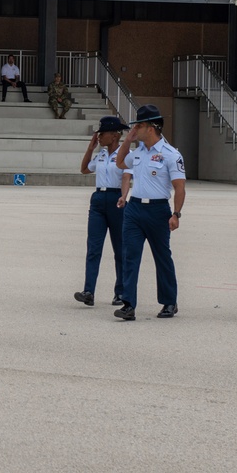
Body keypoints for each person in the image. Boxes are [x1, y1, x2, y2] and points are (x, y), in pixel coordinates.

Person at [113, 104, 186, 321]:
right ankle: (128, 304)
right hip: (134, 208)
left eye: (139, 126)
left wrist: (177, 213)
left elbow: (180, 187)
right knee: (130, 255)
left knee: (162, 256)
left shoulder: (171, 154)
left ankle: (169, 301)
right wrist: (127, 140)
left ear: (151, 127)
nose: (134, 130)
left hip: (158, 210)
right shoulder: (137, 153)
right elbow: (119, 163)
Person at [75, 116, 130, 308]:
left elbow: (126, 178)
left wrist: (124, 196)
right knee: (94, 247)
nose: (98, 136)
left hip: (116, 199)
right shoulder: (100, 155)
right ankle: (89, 291)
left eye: (102, 133)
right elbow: (83, 169)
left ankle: (121, 291)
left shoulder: (125, 155)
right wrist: (90, 149)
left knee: (120, 248)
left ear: (114, 135)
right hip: (98, 200)